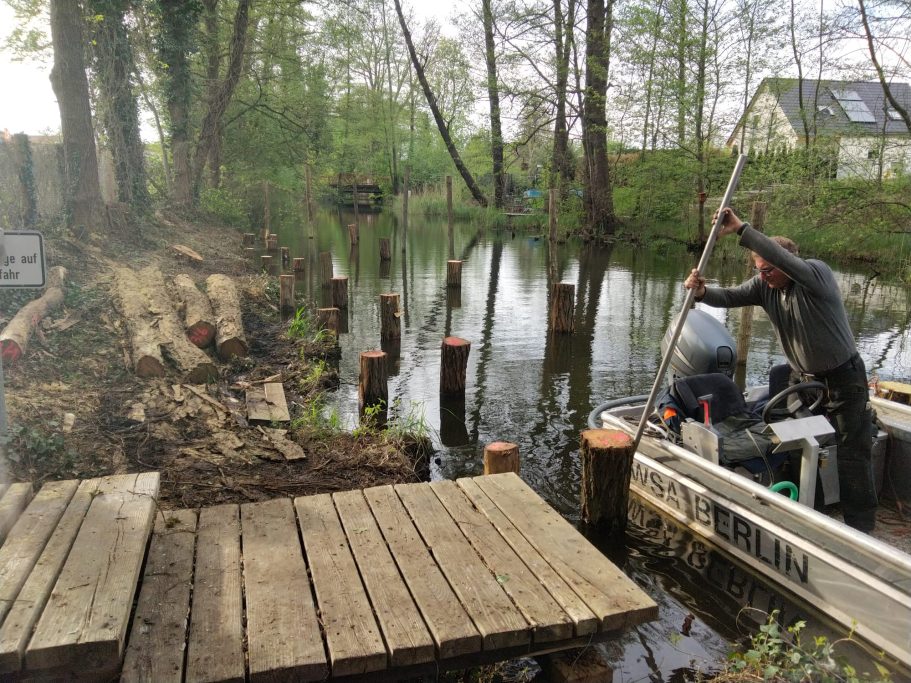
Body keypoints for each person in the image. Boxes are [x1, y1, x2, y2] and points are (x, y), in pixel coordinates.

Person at [684, 206, 877, 532]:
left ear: (790, 264)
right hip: (804, 381)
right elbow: (729, 297)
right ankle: (808, 505)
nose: (763, 276)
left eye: (769, 269)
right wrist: (701, 292)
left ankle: (861, 528)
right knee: (792, 438)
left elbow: (784, 261)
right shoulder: (764, 286)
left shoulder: (816, 275)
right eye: (758, 270)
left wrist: (742, 230)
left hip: (844, 379)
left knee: (851, 453)